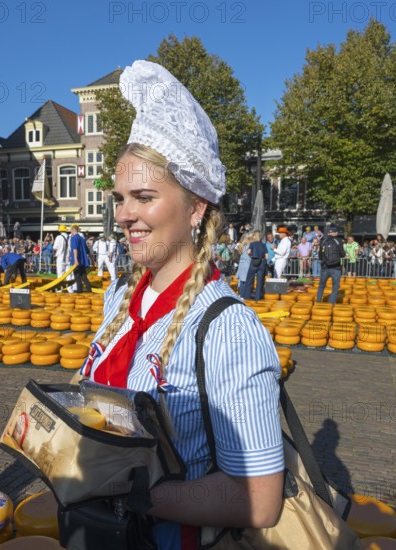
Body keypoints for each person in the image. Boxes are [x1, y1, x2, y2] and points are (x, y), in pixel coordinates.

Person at [78, 60, 283, 549]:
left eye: (144, 197)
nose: (124, 214)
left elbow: (259, 498)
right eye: (120, 197)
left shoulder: (229, 327)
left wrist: (132, 494)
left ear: (195, 207)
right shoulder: (117, 297)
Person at [316, 225, 345, 304]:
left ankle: (318, 302)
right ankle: (330, 304)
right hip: (336, 267)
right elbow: (342, 254)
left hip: (325, 267)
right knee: (335, 287)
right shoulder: (339, 241)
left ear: (329, 233)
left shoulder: (323, 241)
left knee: (321, 286)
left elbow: (320, 256)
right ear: (336, 233)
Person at [242, 231, 268, 300]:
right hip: (261, 263)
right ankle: (257, 297)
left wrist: (251, 256)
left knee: (249, 280)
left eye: (253, 235)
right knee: (260, 281)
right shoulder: (263, 245)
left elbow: (248, 252)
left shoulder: (252, 244)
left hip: (254, 262)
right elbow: (267, 256)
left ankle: (246, 297)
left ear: (255, 236)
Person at [69, 224, 92, 293]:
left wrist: (75, 259)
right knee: (84, 276)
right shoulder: (82, 238)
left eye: (71, 231)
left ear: (73, 230)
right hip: (83, 260)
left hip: (77, 260)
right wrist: (92, 260)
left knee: (77, 276)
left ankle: (80, 291)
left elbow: (75, 249)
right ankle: (89, 290)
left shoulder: (73, 238)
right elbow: (88, 251)